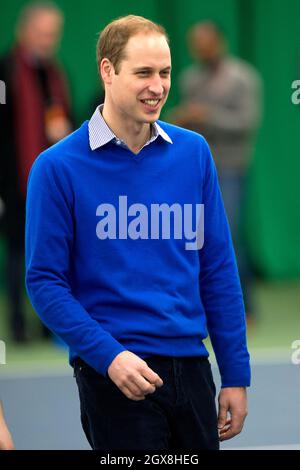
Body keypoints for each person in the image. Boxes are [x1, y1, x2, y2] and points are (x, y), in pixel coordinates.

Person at [25, 15, 250, 451]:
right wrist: (109, 357)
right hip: (115, 378)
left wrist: (236, 375)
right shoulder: (56, 168)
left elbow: (218, 268)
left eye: (164, 73)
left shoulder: (194, 153)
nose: (158, 86)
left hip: (193, 370)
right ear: (108, 71)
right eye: (143, 73)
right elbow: (45, 282)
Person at [169, 21, 262, 321]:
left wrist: (208, 116)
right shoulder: (189, 78)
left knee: (229, 234)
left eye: (206, 42)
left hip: (232, 167)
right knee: (196, 237)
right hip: (196, 169)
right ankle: (203, 308)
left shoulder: (243, 77)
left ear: (219, 42)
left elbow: (246, 123)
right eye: (195, 43)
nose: (201, 49)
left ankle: (244, 307)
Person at [0, 1, 72, 342]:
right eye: (43, 33)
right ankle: (17, 323)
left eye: (54, 34)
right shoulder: (5, 71)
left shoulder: (57, 73)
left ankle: (48, 324)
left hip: (53, 182)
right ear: (25, 31)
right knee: (17, 253)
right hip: (14, 182)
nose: (49, 40)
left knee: (51, 253)